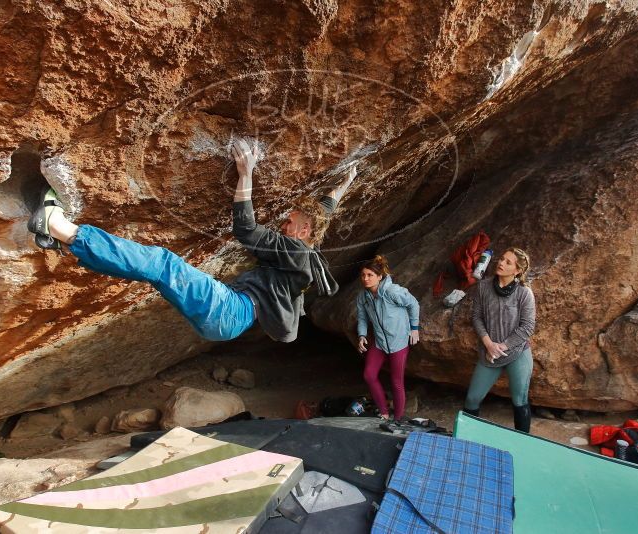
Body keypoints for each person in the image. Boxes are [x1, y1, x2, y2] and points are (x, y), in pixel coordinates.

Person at [27, 139, 356, 342]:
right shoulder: (305, 257)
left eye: (290, 221)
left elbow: (246, 229)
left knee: (161, 263)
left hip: (229, 310)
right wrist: (346, 183)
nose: (284, 222)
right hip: (226, 322)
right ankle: (67, 243)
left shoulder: (296, 249)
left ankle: (59, 227)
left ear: (303, 232)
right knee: (154, 273)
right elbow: (321, 213)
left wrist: (246, 173)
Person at [463, 247, 536, 433]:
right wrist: (488, 344)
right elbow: (477, 317)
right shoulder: (484, 287)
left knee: (520, 400)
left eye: (508, 262)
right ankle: (467, 441)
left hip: (518, 353)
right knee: (472, 398)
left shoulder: (524, 293)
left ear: (517, 270)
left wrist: (502, 346)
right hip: (489, 352)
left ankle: (522, 443)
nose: (501, 263)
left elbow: (527, 327)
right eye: (502, 259)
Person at [356, 255, 420, 422]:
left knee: (396, 382)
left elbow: (413, 304)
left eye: (370, 275)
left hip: (398, 343)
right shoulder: (363, 297)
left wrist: (414, 329)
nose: (365, 279)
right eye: (363, 275)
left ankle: (397, 418)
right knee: (369, 375)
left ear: (380, 276)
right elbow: (362, 317)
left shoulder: (392, 292)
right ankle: (384, 412)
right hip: (379, 342)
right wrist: (362, 335)